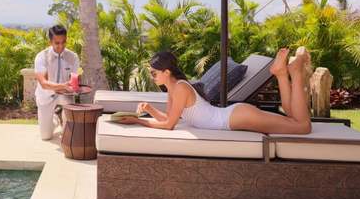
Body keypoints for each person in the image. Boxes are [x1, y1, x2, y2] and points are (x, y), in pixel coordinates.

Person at [118, 47, 312, 134]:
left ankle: (294, 72)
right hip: (235, 116)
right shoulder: (173, 88)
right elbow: (169, 119)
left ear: (166, 72)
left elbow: (169, 125)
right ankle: (282, 74)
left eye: (154, 73)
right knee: (293, 119)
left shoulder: (180, 88)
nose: (152, 76)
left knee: (302, 127)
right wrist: (149, 109)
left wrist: (138, 120)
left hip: (235, 117)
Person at [34, 24, 80, 140]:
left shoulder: (73, 57)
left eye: (63, 42)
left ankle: (64, 120)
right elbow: (44, 84)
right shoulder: (41, 57)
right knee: (46, 136)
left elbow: (74, 79)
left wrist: (74, 86)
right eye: (57, 43)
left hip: (65, 95)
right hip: (46, 96)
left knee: (69, 135)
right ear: (50, 42)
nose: (61, 46)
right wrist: (63, 86)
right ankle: (55, 118)